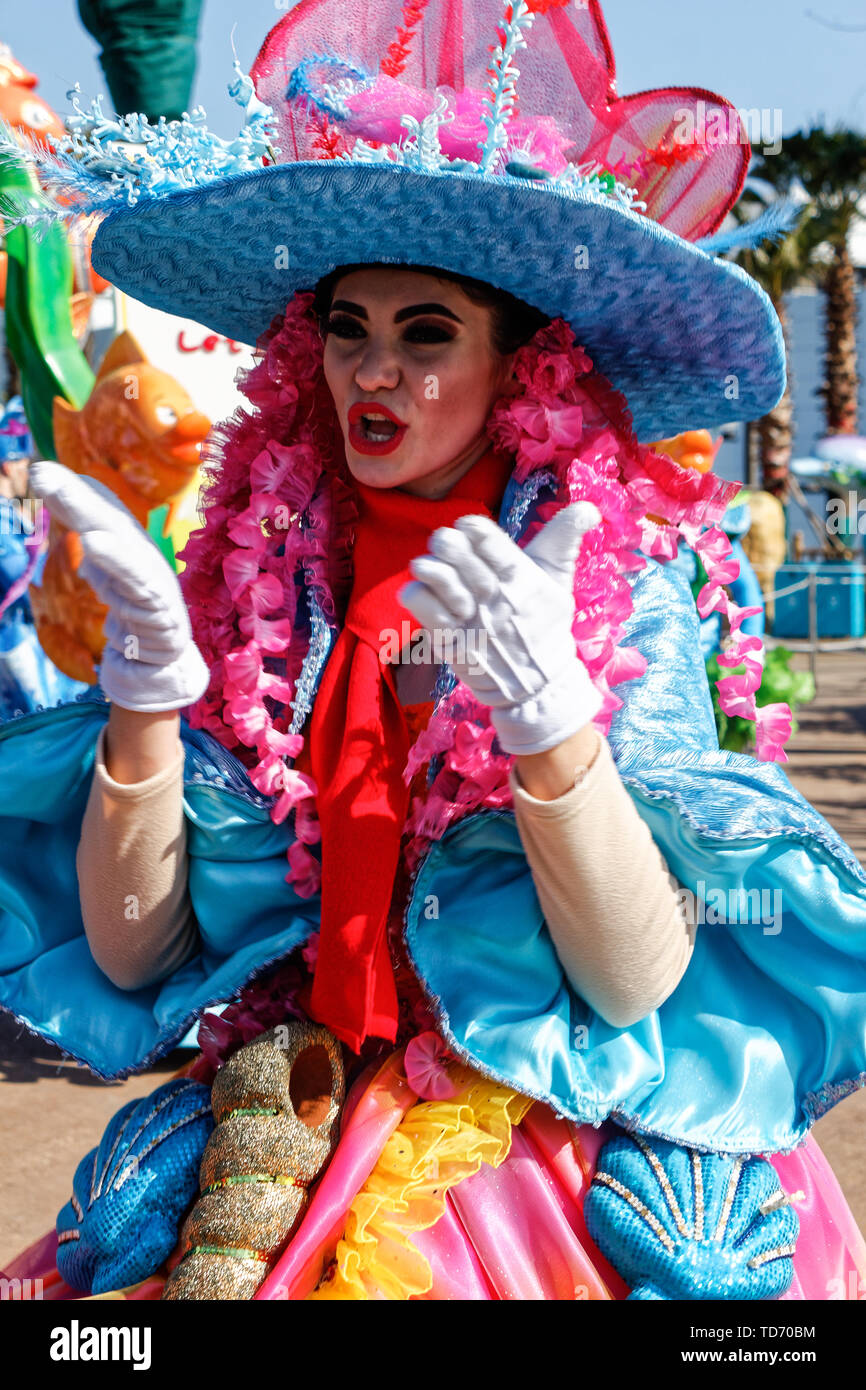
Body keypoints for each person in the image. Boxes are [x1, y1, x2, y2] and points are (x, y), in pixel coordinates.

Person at [1, 0, 866, 1302]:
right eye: (349, 326)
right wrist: (142, 710)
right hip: (291, 1097)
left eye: (426, 333)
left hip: (545, 1146)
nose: (375, 373)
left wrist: (551, 732)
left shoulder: (603, 583)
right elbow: (137, 959)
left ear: (524, 370)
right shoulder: (276, 575)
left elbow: (637, 982)